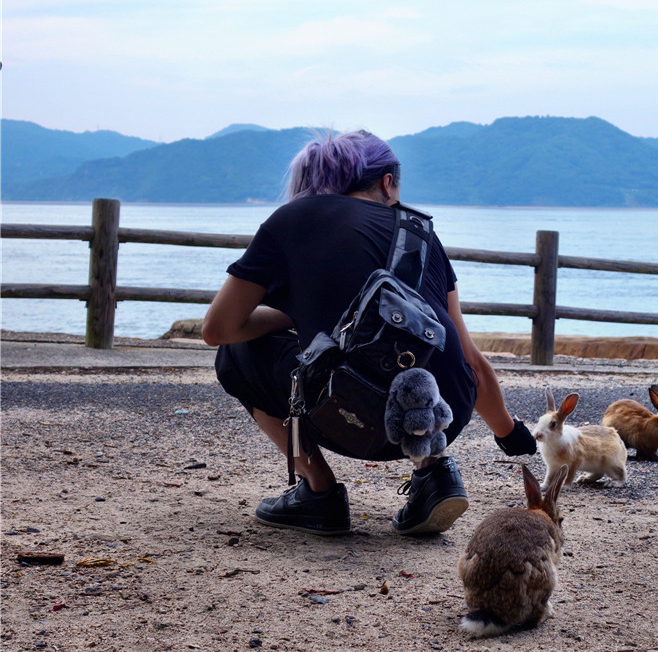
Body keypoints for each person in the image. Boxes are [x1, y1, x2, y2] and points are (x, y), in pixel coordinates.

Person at [202, 130, 536, 537]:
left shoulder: (292, 219)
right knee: (414, 360)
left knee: (237, 353)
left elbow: (218, 329)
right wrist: (508, 432)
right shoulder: (422, 232)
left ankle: (318, 492)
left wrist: (293, 317)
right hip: (443, 416)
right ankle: (435, 474)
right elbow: (471, 361)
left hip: (350, 417)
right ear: (387, 183)